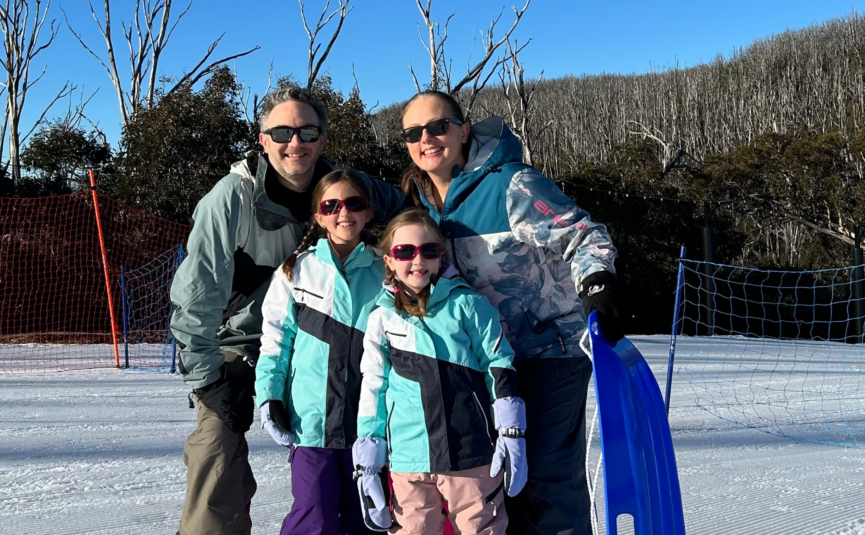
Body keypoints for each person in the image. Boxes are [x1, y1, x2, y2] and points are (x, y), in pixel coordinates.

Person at [169, 85, 403, 535]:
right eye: (281, 131)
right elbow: (195, 300)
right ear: (263, 139)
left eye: (307, 131)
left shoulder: (350, 190)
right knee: (215, 453)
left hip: (332, 344)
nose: (294, 142)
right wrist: (208, 380)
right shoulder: (232, 199)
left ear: (322, 139)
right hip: (243, 347)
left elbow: (415, 215)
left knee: (361, 469)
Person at [398, 91, 622, 535]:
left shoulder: (511, 185)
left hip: (546, 352)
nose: (427, 138)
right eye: (413, 132)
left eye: (439, 126)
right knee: (495, 486)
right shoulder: (417, 201)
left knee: (545, 477)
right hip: (480, 365)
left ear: (463, 130)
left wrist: (597, 284)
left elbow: (582, 236)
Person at [354, 208, 528, 535]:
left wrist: (510, 430)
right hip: (409, 456)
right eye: (405, 251)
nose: (417, 260)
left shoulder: (468, 305)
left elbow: (498, 362)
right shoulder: (382, 318)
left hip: (470, 451)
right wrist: (368, 459)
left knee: (481, 529)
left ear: (440, 256)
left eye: (428, 251)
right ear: (389, 260)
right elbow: (373, 386)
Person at [256, 169, 389, 535]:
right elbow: (275, 340)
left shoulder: (387, 270)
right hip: (312, 422)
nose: (343, 212)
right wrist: (269, 396)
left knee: (369, 516)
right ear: (318, 216)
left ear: (368, 211)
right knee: (314, 513)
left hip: (370, 423)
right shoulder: (297, 270)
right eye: (331, 205)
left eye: (353, 203)